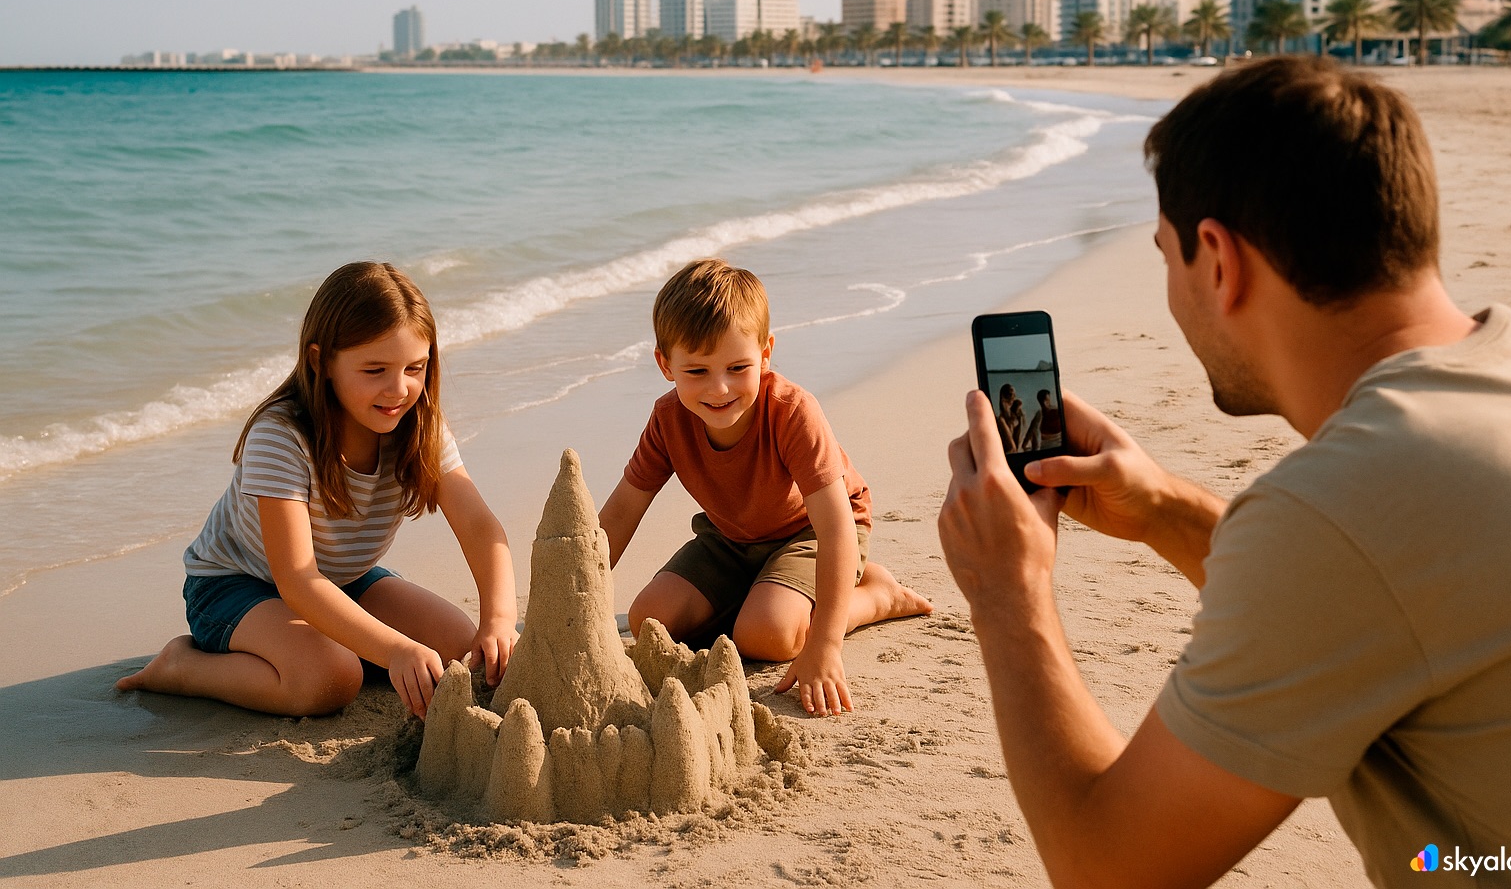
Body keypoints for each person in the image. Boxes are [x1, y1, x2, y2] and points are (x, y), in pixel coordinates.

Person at [939, 56, 1511, 887]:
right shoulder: (1509, 374)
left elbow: (1107, 866)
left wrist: (1007, 591)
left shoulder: (1344, 507)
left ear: (1218, 260)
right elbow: (1384, 588)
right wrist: (1162, 511)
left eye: (1165, 256)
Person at [117, 262, 519, 720]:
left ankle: (337, 645)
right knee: (330, 679)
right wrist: (395, 650)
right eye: (374, 370)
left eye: (415, 367)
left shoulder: (419, 426)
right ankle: (182, 667)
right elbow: (298, 581)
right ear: (320, 361)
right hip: (237, 586)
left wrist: (499, 620)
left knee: (461, 649)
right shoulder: (281, 436)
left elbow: (480, 526)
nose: (399, 388)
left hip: (343, 581)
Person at [599, 258, 931, 717]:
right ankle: (767, 591)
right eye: (697, 372)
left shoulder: (792, 412)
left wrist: (825, 644)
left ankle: (875, 596)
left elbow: (835, 528)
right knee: (649, 621)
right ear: (665, 364)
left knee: (766, 637)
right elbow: (619, 514)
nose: (720, 388)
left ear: (766, 352)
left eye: (738, 367)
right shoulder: (668, 419)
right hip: (731, 539)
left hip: (812, 533)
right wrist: (569, 601)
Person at [995, 383, 1026, 453]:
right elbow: (1011, 447)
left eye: (1014, 395)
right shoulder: (1001, 419)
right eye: (1010, 394)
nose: (1013, 397)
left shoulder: (1016, 414)